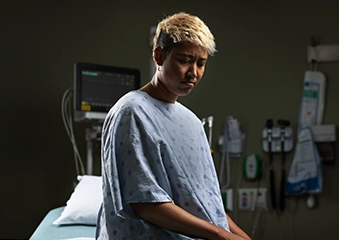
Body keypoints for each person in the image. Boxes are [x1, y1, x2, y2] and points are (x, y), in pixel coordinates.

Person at [96, 12, 251, 240]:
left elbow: (207, 202)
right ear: (159, 56)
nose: (194, 72)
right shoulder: (132, 111)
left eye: (201, 63)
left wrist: (239, 235)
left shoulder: (192, 122)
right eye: (184, 60)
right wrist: (219, 235)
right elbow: (145, 204)